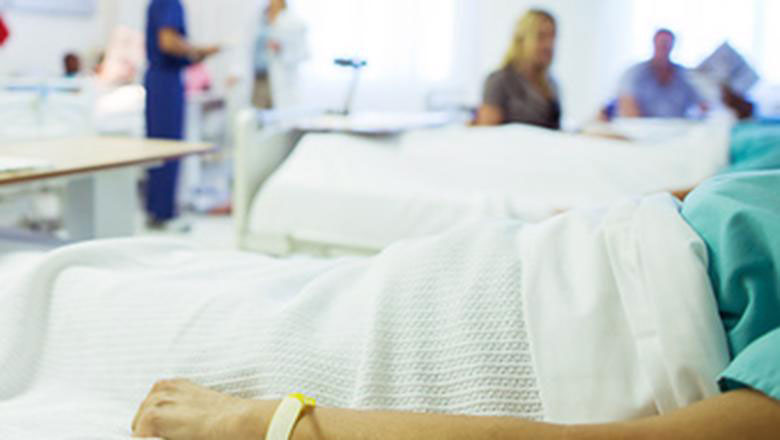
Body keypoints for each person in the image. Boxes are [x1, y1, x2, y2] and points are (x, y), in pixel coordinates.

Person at [125, 170, 780, 439]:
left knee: (115, 320)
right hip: (534, 259)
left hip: (552, 338)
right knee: (170, 283)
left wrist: (272, 424)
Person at [144, 0, 219, 227]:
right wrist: (198, 50)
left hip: (160, 79)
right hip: (166, 81)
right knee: (168, 148)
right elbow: (167, 42)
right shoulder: (170, 3)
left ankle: (158, 210)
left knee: (159, 148)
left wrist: (193, 54)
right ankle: (163, 213)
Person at [476, 9, 561, 129]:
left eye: (552, 36)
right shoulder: (500, 80)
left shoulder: (552, 85)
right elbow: (487, 133)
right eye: (541, 36)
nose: (549, 45)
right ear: (521, 40)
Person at [618, 29, 706, 118]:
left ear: (672, 46)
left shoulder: (685, 75)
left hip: (679, 127)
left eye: (666, 45)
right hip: (643, 128)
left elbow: (703, 104)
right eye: (661, 44)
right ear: (654, 44)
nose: (663, 48)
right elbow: (627, 105)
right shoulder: (634, 74)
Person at [266, 0, 309, 109]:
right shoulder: (277, 20)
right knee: (282, 102)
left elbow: (304, 52)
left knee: (291, 103)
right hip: (279, 73)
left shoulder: (292, 22)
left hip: (289, 73)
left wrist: (280, 49)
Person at [252, 4, 273, 109]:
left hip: (266, 72)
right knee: (261, 103)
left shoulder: (268, 29)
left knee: (268, 102)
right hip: (262, 72)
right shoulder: (263, 31)